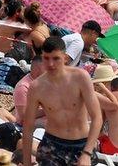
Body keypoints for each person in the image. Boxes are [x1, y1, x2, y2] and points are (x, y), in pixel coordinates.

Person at [22, 36, 102, 166]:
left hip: (81, 143)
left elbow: (97, 117)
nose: (51, 64)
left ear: (65, 57)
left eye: (56, 58)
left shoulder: (80, 78)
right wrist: (26, 162)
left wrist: (87, 153)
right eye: (46, 58)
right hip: (52, 144)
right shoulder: (37, 87)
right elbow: (28, 126)